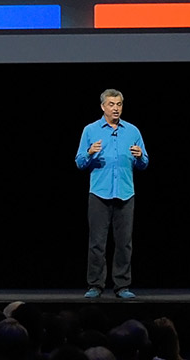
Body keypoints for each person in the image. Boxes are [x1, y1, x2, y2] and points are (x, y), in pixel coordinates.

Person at [75, 89, 148, 299]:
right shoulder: (90, 130)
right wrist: (89, 154)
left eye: (119, 104)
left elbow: (144, 163)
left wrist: (141, 156)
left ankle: (122, 286)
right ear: (103, 107)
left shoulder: (132, 131)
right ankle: (95, 285)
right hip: (99, 192)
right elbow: (79, 162)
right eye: (111, 104)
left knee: (124, 242)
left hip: (125, 192)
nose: (116, 108)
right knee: (97, 242)